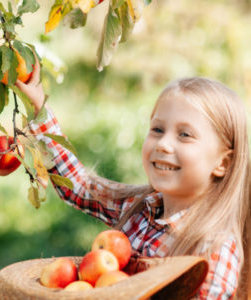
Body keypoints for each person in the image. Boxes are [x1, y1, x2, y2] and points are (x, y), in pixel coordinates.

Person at [16, 59, 251, 299]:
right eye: (157, 130)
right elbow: (80, 187)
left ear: (223, 163)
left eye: (185, 135)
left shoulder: (213, 248)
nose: (163, 144)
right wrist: (38, 109)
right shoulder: (138, 208)